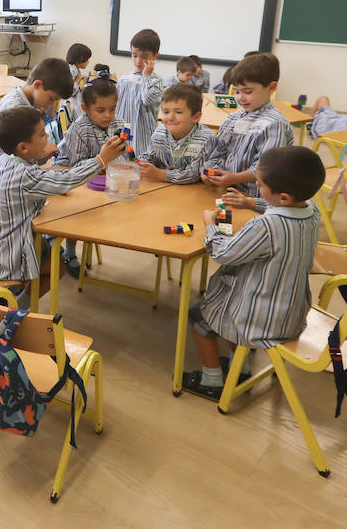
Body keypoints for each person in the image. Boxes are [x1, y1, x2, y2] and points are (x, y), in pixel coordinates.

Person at [181, 145, 326, 400]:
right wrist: (250, 202)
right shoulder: (311, 210)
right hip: (291, 312)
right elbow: (280, 206)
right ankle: (241, 369)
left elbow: (224, 254)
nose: (257, 187)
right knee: (233, 311)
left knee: (198, 318)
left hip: (257, 319)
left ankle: (211, 380)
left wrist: (210, 225)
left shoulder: (267, 226)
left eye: (259, 184)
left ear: (283, 197)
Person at [0, 105, 126, 308]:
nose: (47, 136)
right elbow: (66, 178)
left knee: (52, 254)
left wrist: (45, 167)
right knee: (57, 267)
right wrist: (101, 159)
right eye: (42, 134)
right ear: (23, 148)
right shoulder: (24, 176)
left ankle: (13, 301)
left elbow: (50, 178)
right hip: (5, 256)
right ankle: (14, 311)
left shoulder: (7, 161)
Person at [49, 73, 126, 278]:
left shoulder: (117, 122)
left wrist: (123, 153)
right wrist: (103, 161)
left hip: (102, 175)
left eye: (112, 109)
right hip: (70, 173)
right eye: (101, 110)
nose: (108, 115)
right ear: (85, 108)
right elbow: (76, 166)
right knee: (78, 210)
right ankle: (69, 252)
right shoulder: (79, 128)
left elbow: (123, 151)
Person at [0, 57, 76, 205]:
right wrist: (43, 154)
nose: (52, 105)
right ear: (37, 85)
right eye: (52, 99)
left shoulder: (25, 105)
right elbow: (15, 164)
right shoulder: (14, 109)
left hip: (11, 187)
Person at [199, 52, 294, 204]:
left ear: (271, 87)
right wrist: (209, 170)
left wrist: (234, 178)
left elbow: (267, 167)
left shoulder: (274, 124)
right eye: (236, 91)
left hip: (254, 199)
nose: (240, 97)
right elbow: (218, 151)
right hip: (228, 191)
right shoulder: (233, 118)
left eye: (248, 92)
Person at [140, 82, 214, 184]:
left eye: (178, 112)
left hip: (190, 192)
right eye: (166, 112)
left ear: (196, 117)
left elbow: (194, 174)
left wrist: (161, 174)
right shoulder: (159, 133)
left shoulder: (205, 139)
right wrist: (142, 165)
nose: (170, 117)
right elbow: (149, 157)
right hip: (160, 189)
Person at [116, 28, 163, 154]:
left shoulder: (155, 81)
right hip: (123, 132)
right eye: (134, 55)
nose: (138, 61)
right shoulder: (124, 80)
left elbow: (147, 99)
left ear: (155, 56)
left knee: (140, 165)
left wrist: (146, 76)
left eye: (144, 57)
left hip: (143, 135)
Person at [63, 43, 92, 122]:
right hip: (70, 104)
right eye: (87, 59)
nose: (88, 62)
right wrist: (77, 80)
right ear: (81, 59)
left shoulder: (75, 69)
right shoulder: (72, 71)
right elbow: (68, 91)